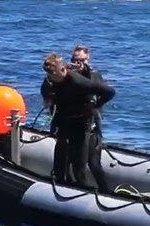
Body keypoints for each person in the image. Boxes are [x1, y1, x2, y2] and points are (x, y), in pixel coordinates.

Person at [40, 52, 115, 191]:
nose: (51, 78)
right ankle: (61, 189)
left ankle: (95, 194)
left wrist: (95, 106)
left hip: (81, 123)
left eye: (54, 75)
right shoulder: (50, 81)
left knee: (79, 168)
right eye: (49, 75)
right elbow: (47, 96)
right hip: (63, 122)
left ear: (62, 70)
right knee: (59, 165)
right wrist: (48, 102)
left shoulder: (77, 81)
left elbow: (109, 92)